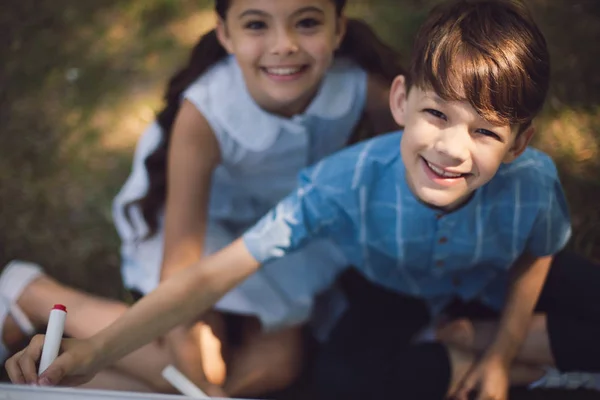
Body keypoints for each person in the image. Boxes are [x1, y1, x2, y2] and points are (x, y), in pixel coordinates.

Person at [8, 0, 598, 399]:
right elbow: (205, 276)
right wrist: (95, 352)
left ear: (521, 143)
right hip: (385, 286)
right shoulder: (338, 185)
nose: (450, 150)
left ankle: (497, 349)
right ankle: (498, 354)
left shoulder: (533, 181)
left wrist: (506, 345)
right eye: (437, 115)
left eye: (485, 132)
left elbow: (535, 253)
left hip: (486, 282)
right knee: (328, 380)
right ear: (400, 103)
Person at [0, 0, 404, 397]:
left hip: (282, 224)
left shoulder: (362, 86)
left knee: (278, 364)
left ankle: (38, 380)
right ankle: (37, 293)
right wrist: (200, 381)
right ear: (225, 33)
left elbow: (403, 157)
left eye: (308, 22)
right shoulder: (206, 115)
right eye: (257, 25)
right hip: (196, 225)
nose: (284, 45)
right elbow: (180, 267)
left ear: (339, 29)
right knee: (197, 368)